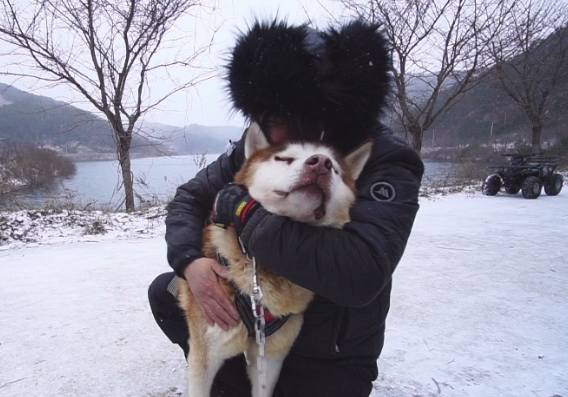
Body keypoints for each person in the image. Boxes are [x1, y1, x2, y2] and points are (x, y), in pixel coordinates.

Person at [148, 19, 424, 396]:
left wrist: (244, 213)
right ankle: (227, 373)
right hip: (253, 318)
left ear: (339, 116)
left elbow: (362, 270)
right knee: (164, 292)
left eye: (311, 119)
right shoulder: (263, 145)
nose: (294, 137)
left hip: (327, 352)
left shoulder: (387, 162)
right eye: (279, 120)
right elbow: (191, 197)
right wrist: (188, 261)